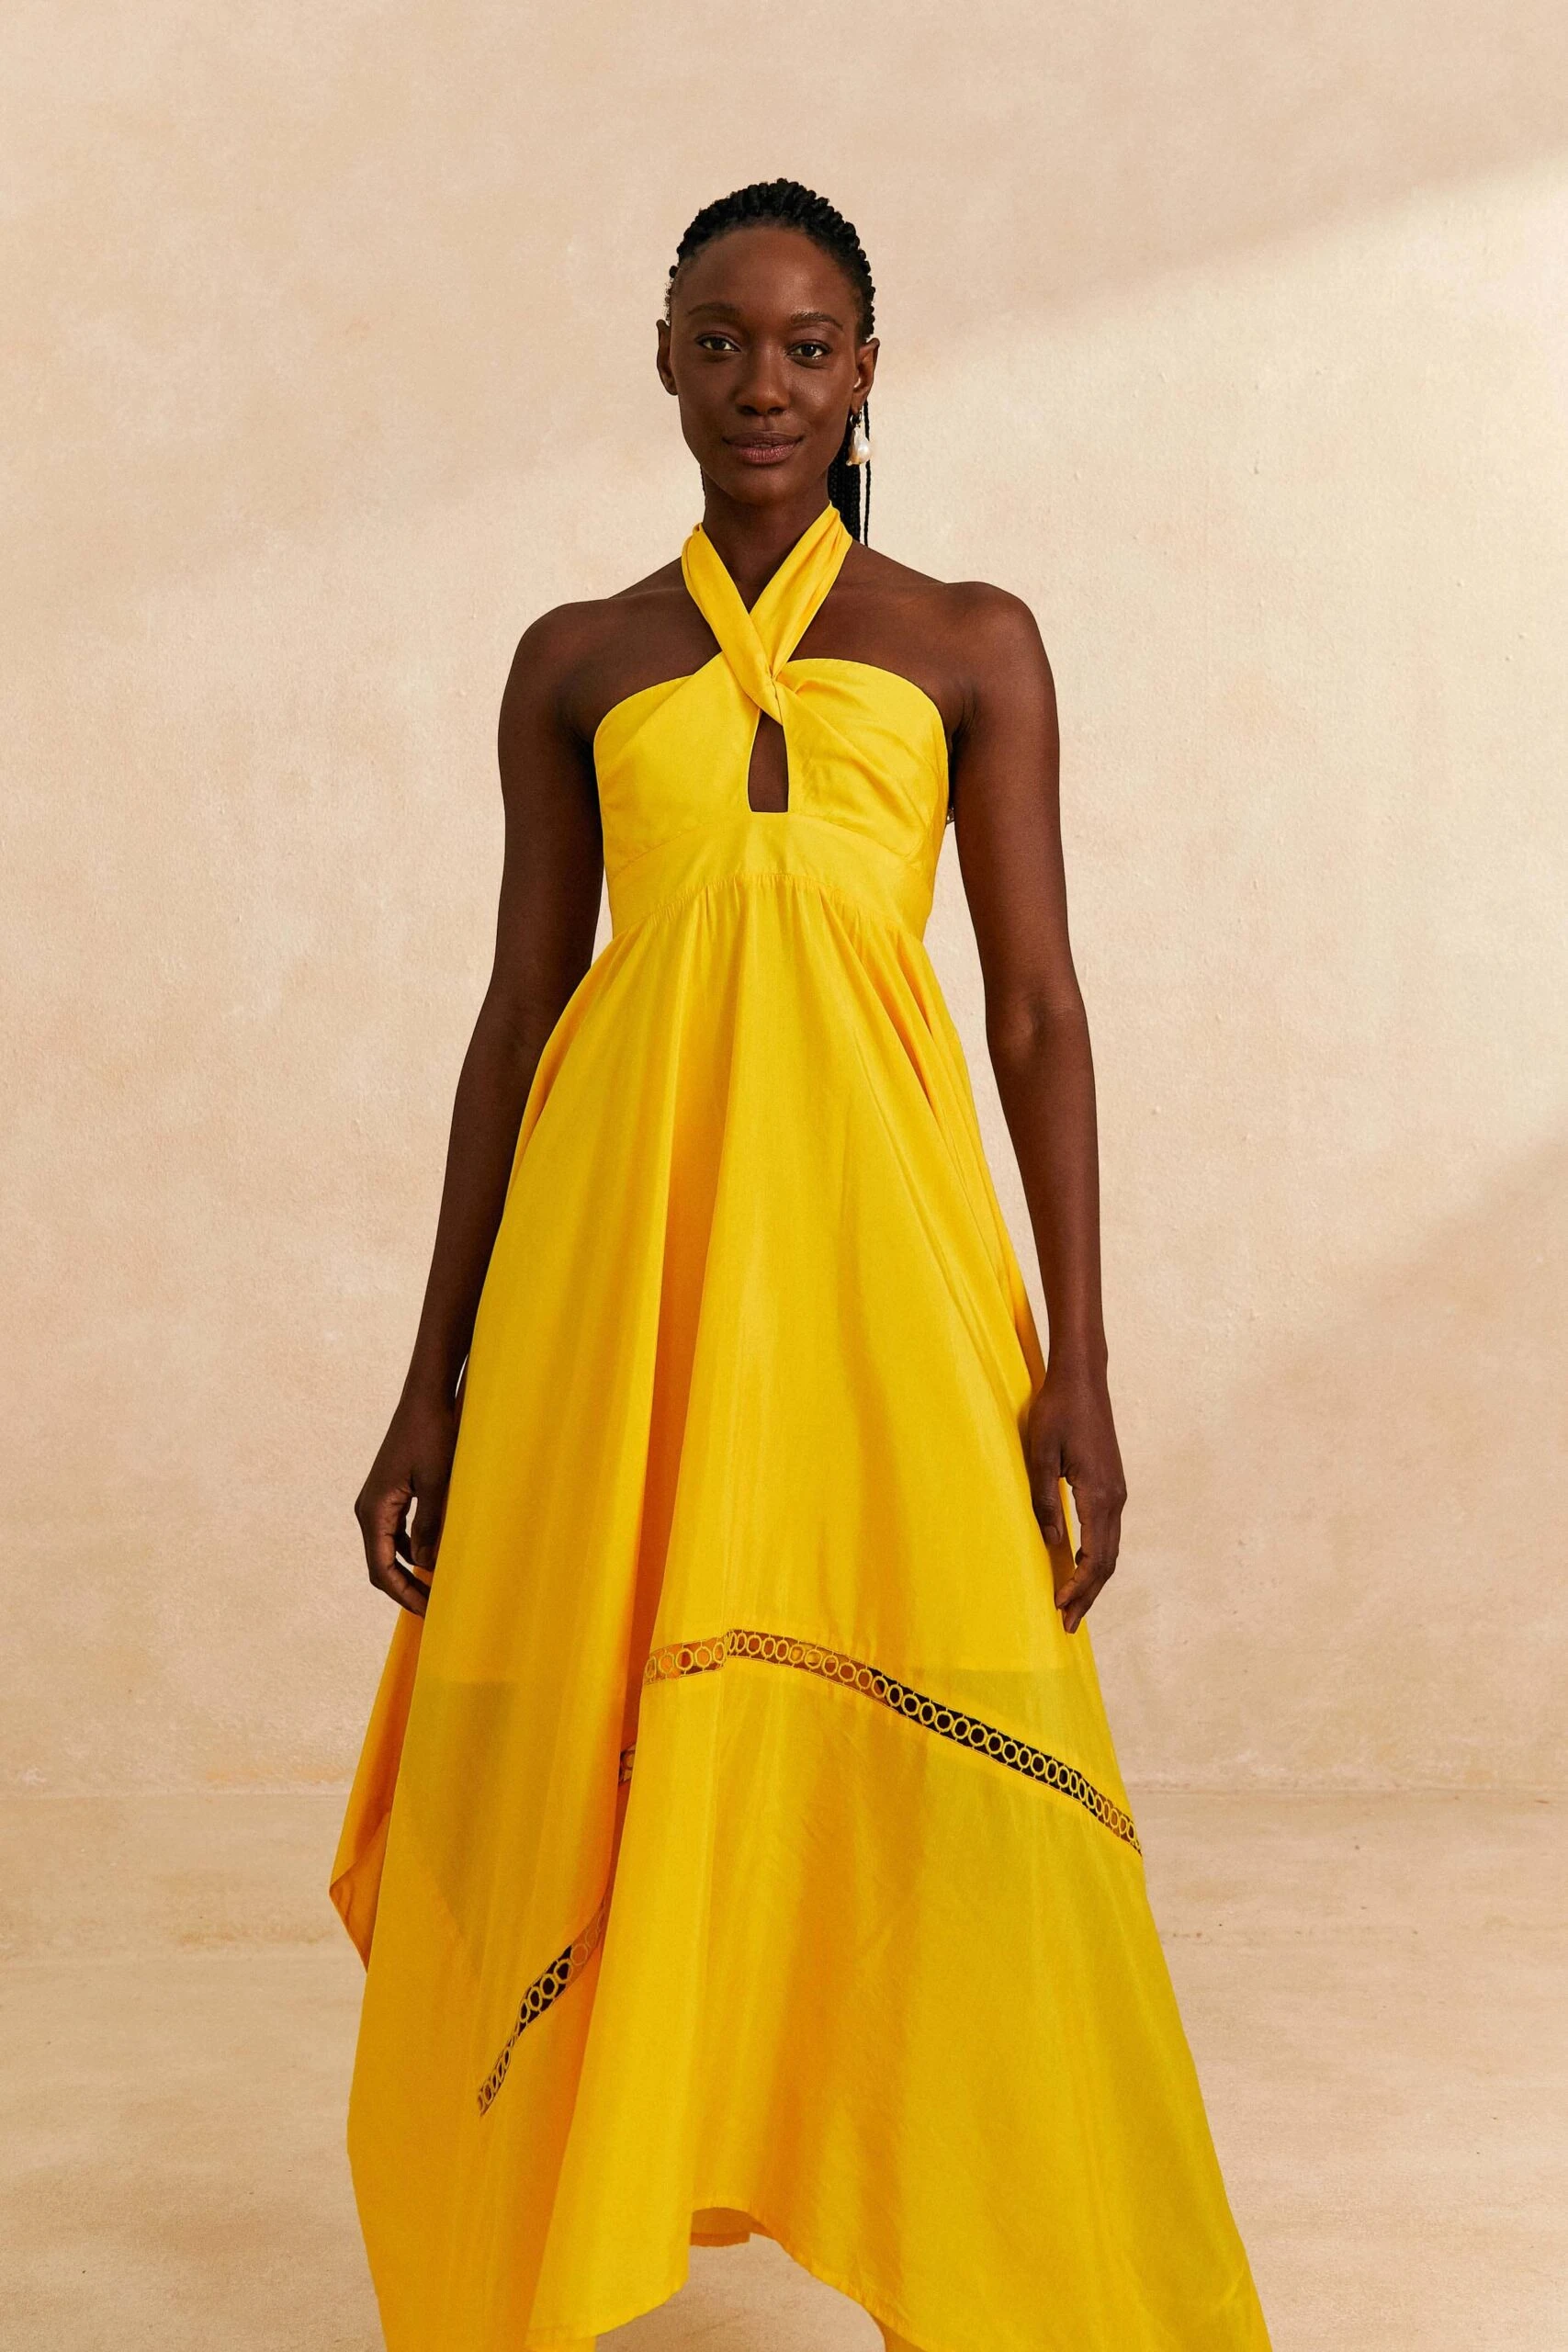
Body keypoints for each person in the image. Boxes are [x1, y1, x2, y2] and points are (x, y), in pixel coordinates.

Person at [332, 178, 1271, 2352]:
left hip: (880, 1254)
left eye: (808, 344)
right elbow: (518, 1012)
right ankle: (548, 2241)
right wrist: (427, 1378)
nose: (765, 383)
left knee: (936, 1696)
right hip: (620, 1262)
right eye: (723, 341)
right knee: (579, 1703)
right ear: (664, 364)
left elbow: (1035, 1006)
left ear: (868, 371)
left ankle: (987, 2246)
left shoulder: (969, 642)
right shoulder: (577, 660)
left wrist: (1080, 1358)